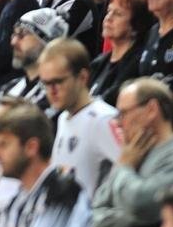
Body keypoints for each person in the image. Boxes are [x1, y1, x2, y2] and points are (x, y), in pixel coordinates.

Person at [92, 79, 173, 227]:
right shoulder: (132, 156)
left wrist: (123, 167)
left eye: (123, 113)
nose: (117, 123)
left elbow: (141, 204)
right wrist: (131, 219)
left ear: (152, 109)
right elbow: (92, 216)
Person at [39, 38, 122, 198]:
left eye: (58, 82)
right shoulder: (63, 117)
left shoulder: (104, 119)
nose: (51, 91)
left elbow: (130, 172)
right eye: (46, 84)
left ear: (82, 77)